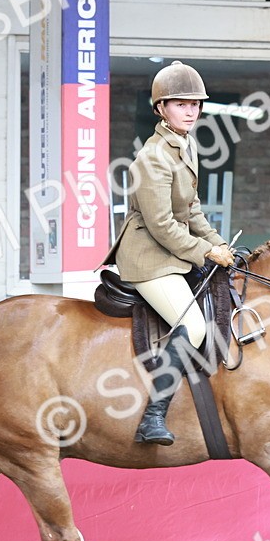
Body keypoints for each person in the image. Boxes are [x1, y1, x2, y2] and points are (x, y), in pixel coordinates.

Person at [103, 61, 235, 446]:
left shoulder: (184, 145)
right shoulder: (153, 157)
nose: (191, 110)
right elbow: (161, 225)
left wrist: (218, 242)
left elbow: (191, 210)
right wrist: (205, 253)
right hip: (148, 258)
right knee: (194, 326)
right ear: (160, 108)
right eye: (180, 104)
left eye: (195, 104)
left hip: (172, 250)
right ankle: (153, 417)